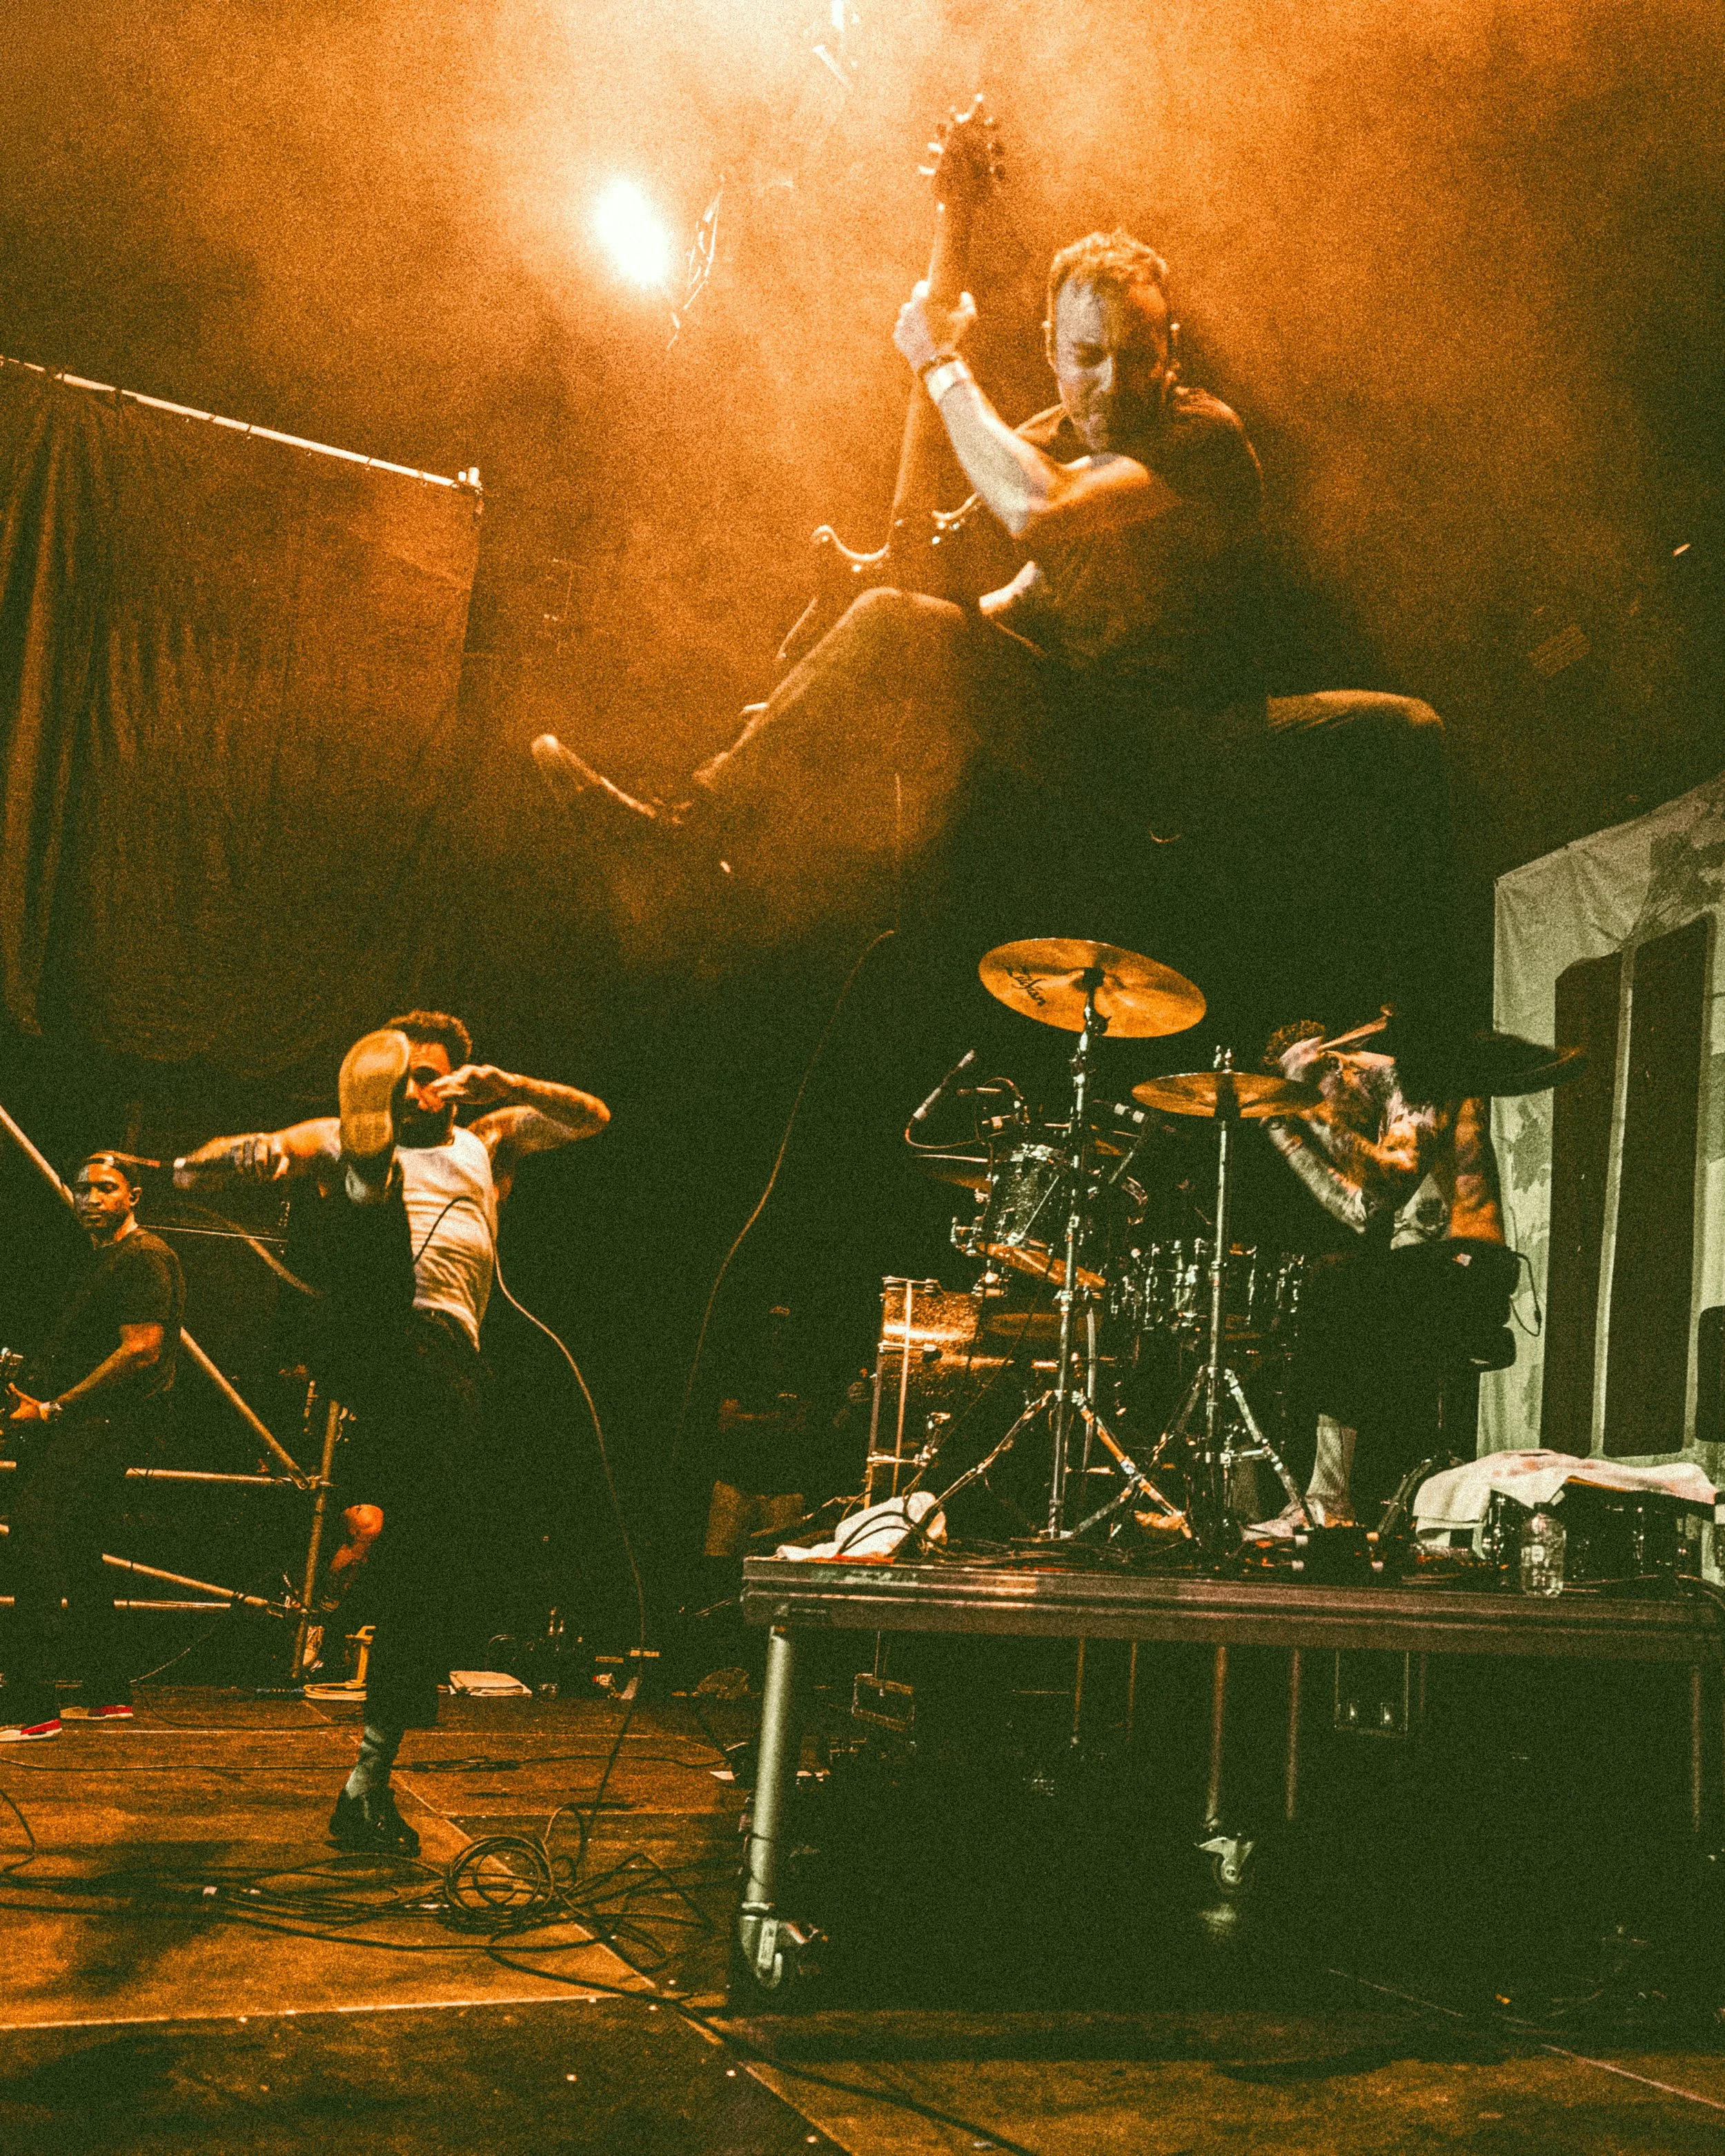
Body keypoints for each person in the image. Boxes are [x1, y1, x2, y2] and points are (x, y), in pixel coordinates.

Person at [532, 228, 1547, 1080]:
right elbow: (1017, 602)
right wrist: (841, 672)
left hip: (1208, 745)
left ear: (1170, 350)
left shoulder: (1202, 438)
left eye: (1133, 353)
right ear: (1054, 351)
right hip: (1095, 743)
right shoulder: (1038, 433)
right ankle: (689, 840)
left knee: (1410, 734)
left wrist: (937, 363)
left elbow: (1042, 510)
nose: (1109, 380)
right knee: (892, 624)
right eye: (1085, 355)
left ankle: (1438, 1028)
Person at [175, 1013, 609, 1853]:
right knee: (364, 1218)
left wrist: (508, 1086)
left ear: (457, 1079)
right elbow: (265, 1147)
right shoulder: (342, 1129)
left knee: (426, 1563)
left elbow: (592, 1118)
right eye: (401, 1075)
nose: (415, 1089)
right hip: (369, 1328)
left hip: (431, 1378)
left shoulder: (488, 1140)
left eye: (430, 1074)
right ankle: (370, 1186)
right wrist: (190, 1166)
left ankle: (364, 1786)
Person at [1250, 1020, 1521, 1534]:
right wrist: (1285, 1133)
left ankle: (1330, 1497)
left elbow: (1392, 1176)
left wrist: (1307, 1111)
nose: (1327, 1114)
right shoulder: (1382, 1108)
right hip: (1425, 1265)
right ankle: (1320, 1496)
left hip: (1468, 1265)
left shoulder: (1424, 1079)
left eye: (1318, 1092)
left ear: (1337, 1064)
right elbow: (1361, 1212)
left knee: (1340, 1286)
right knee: (1324, 1289)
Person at [2, 1154, 186, 1741]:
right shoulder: (108, 1258)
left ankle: (29, 1707)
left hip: (102, 1424)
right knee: (79, 1550)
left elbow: (143, 1349)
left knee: (33, 1538)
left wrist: (56, 1407)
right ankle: (107, 1692)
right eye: (82, 1188)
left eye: (106, 1188)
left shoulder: (145, 1255)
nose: (90, 1198)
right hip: (87, 1422)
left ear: (134, 1195)